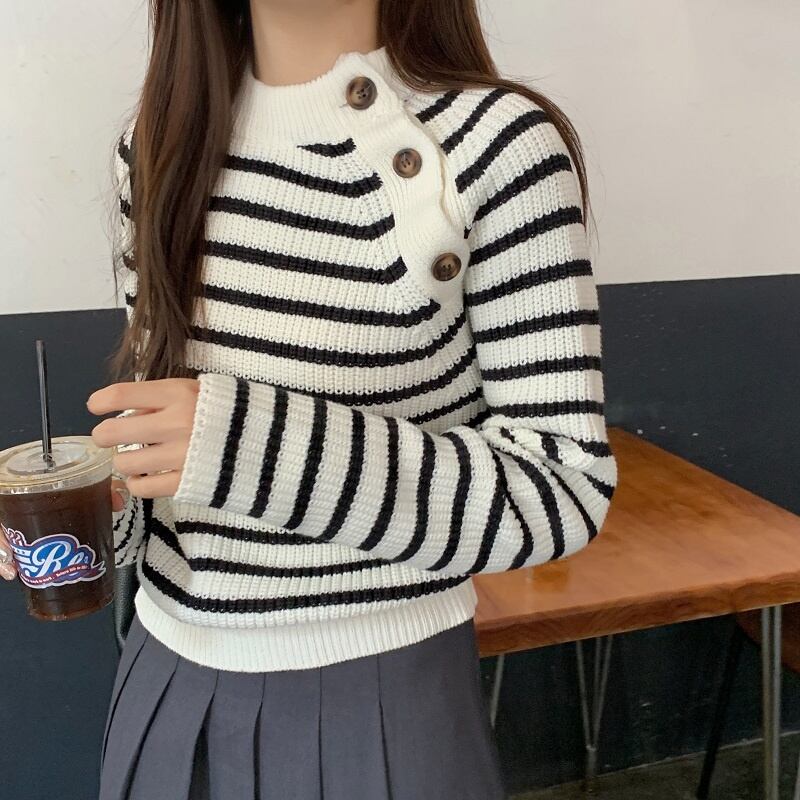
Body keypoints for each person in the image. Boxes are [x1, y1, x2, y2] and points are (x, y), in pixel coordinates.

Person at [1, 1, 619, 797]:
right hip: (162, 676)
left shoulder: (497, 143)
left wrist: (242, 444)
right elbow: (169, 449)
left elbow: (560, 489)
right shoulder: (155, 145)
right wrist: (91, 511)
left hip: (380, 695)